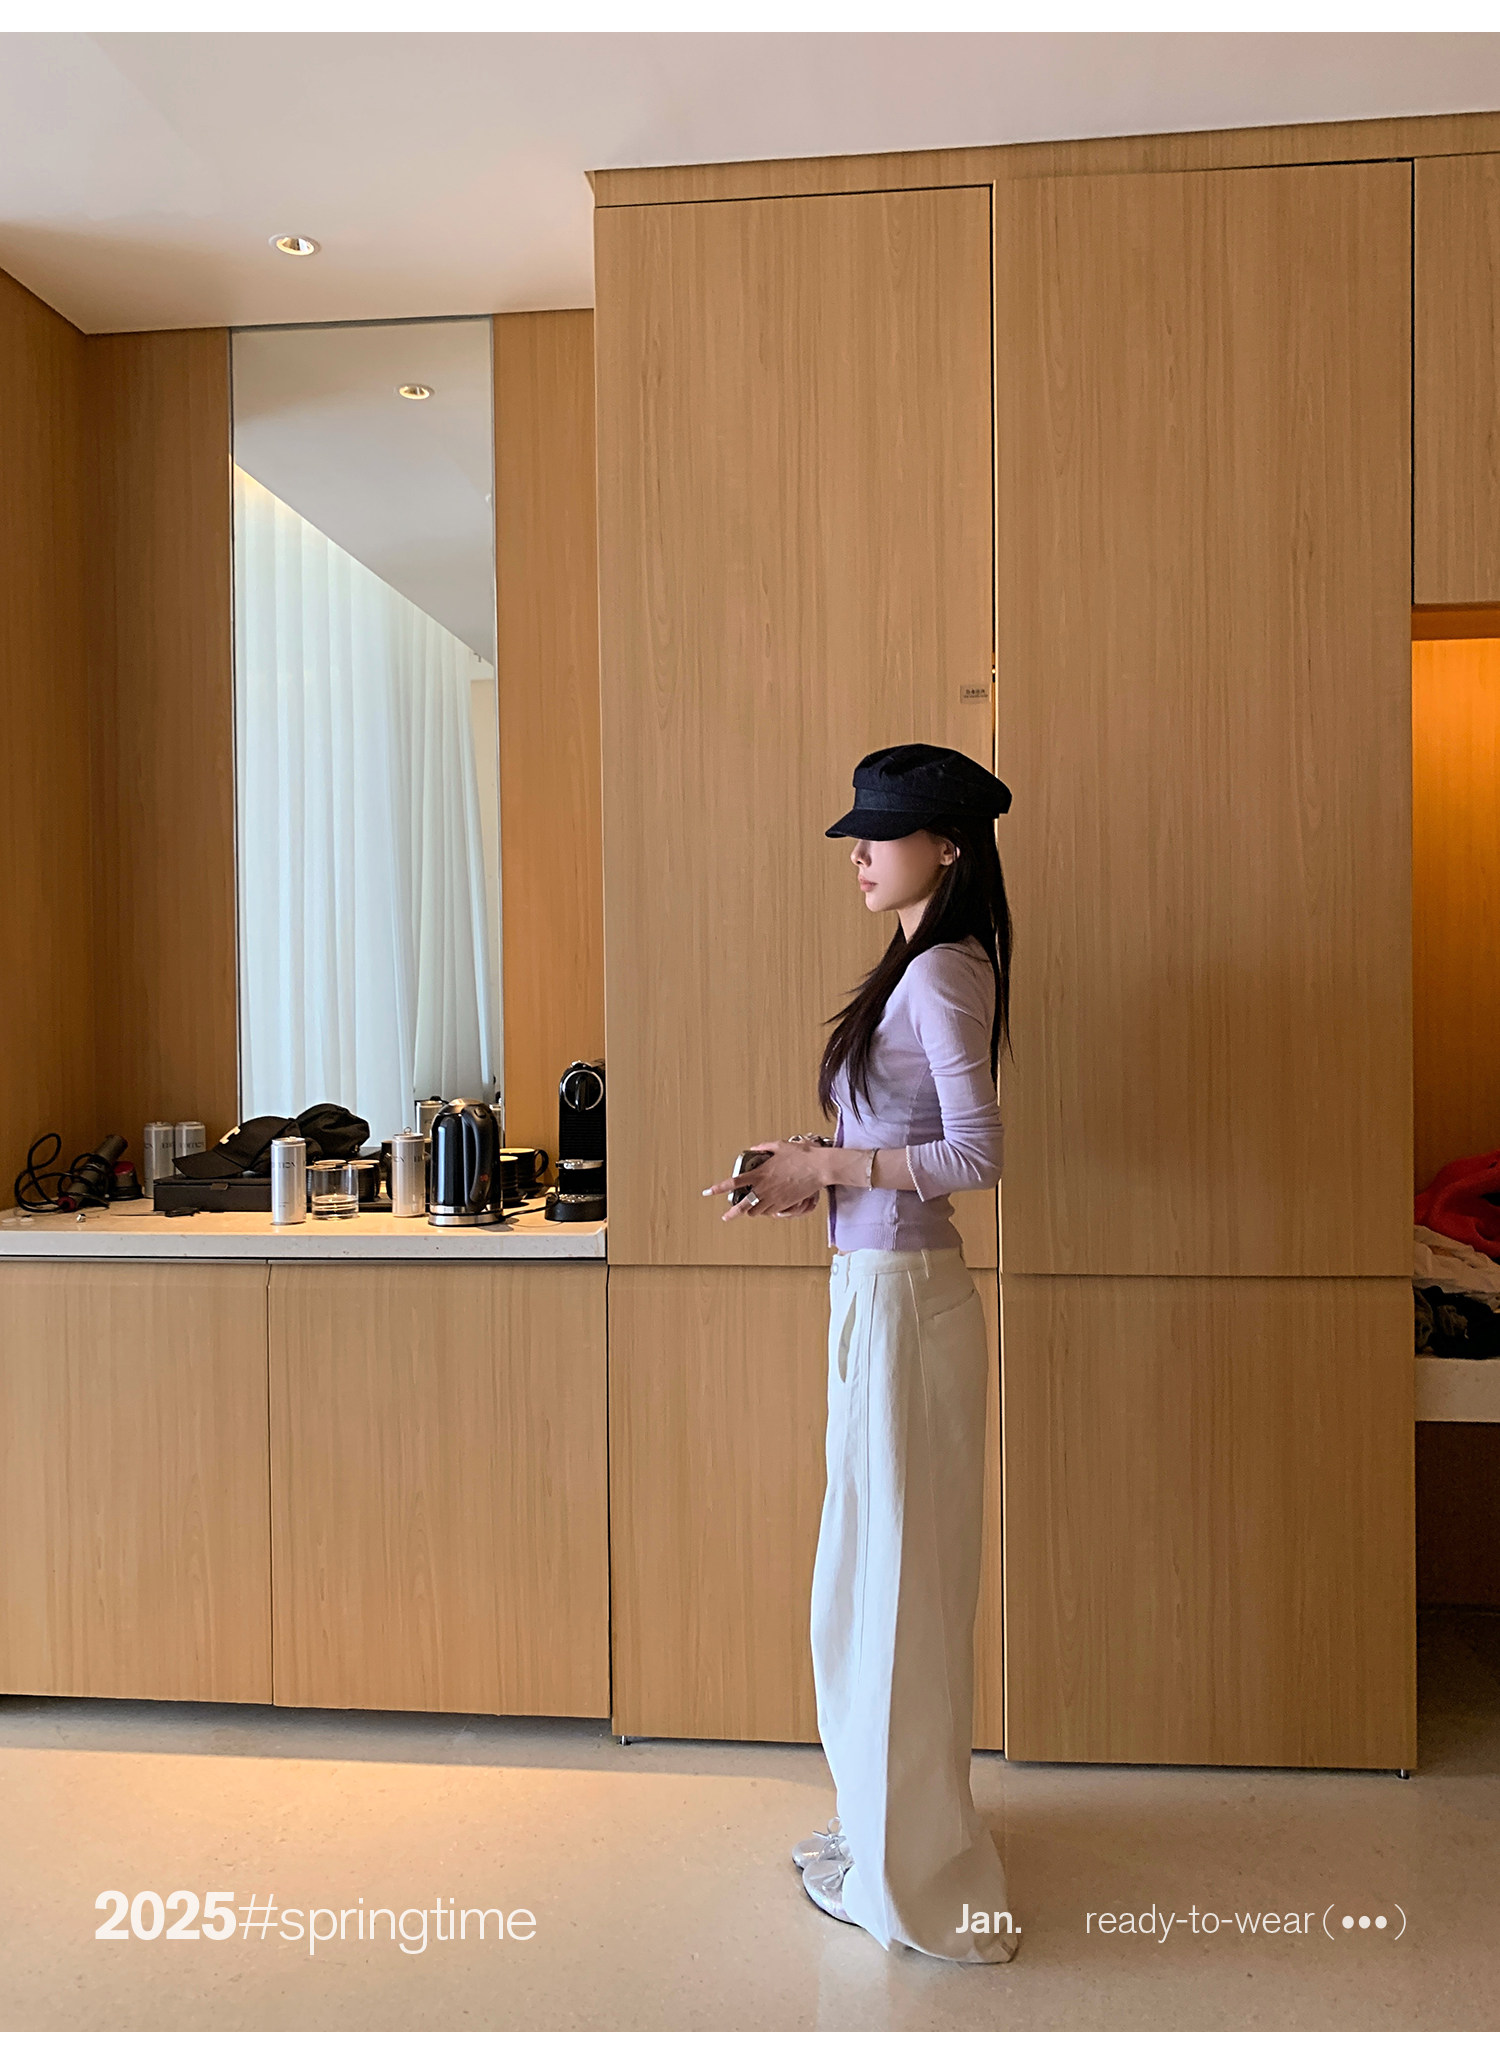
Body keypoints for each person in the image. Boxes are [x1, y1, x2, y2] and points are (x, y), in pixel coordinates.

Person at [701, 741, 1021, 1966]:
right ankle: (890, 1831)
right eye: (856, 835)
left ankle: (908, 1872)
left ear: (947, 845)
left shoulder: (941, 971)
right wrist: (802, 1173)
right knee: (873, 1576)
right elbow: (903, 1138)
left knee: (891, 1584)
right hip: (877, 1290)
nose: (859, 854)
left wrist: (827, 1163)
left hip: (903, 1304)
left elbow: (977, 1155)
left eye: (880, 835)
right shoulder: (918, 963)